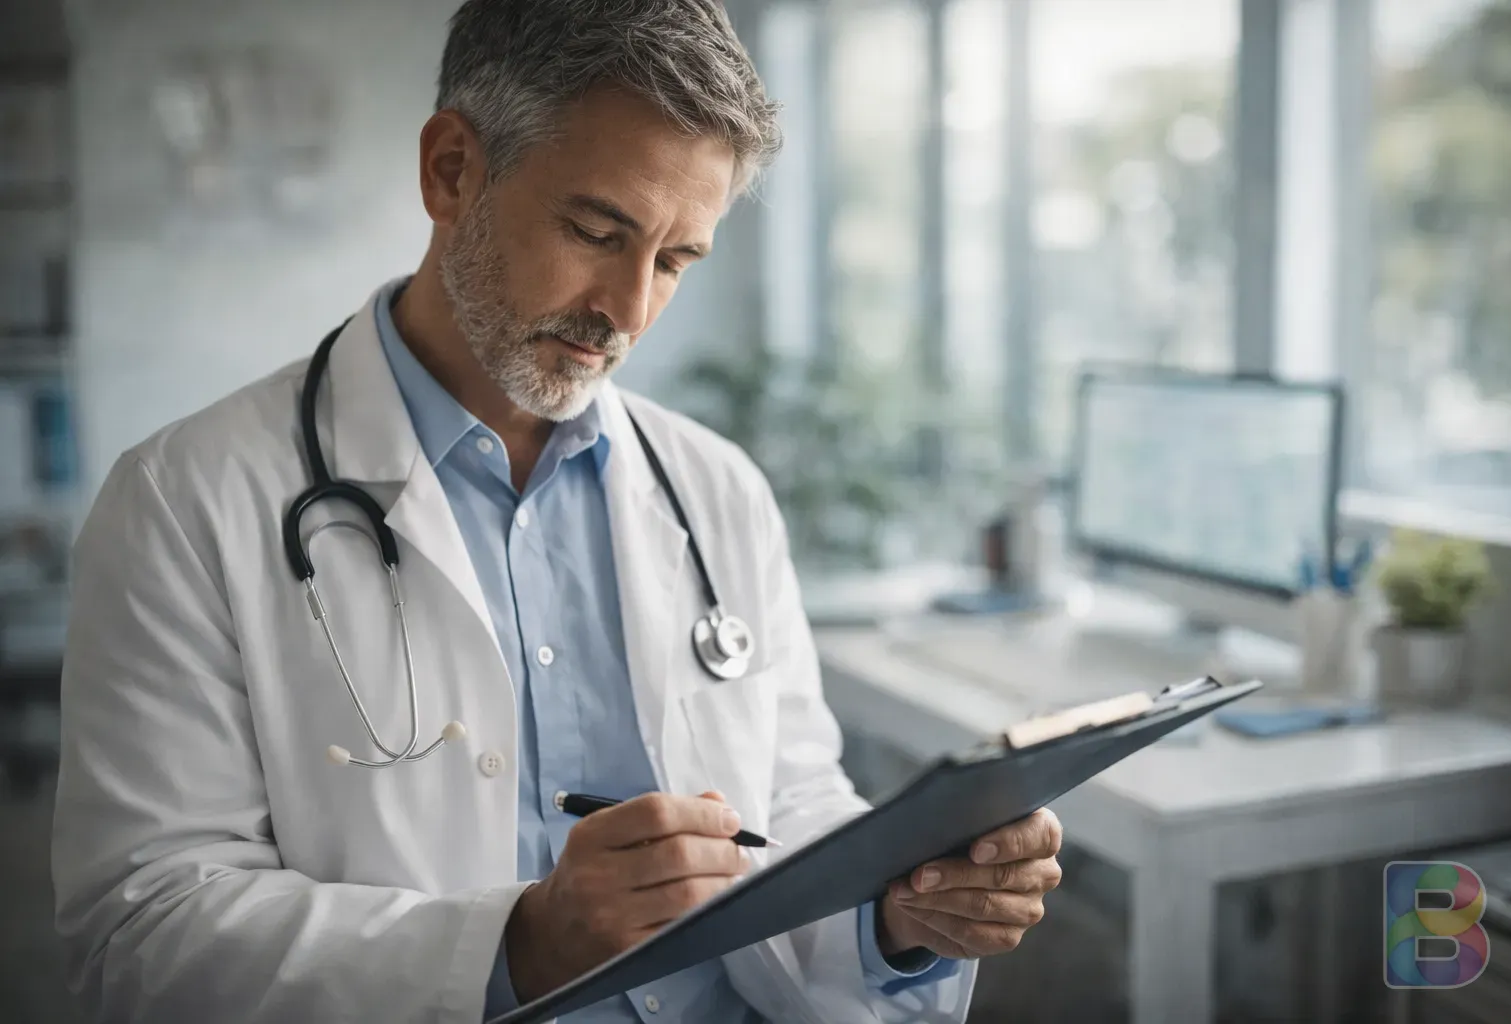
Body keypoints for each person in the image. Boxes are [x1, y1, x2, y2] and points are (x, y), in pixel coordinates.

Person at [51, 2, 1063, 1021]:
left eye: (674, 261)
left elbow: (789, 809)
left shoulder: (716, 489)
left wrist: (899, 912)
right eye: (595, 231)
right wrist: (514, 947)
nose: (625, 312)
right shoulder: (185, 503)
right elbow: (141, 933)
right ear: (452, 170)